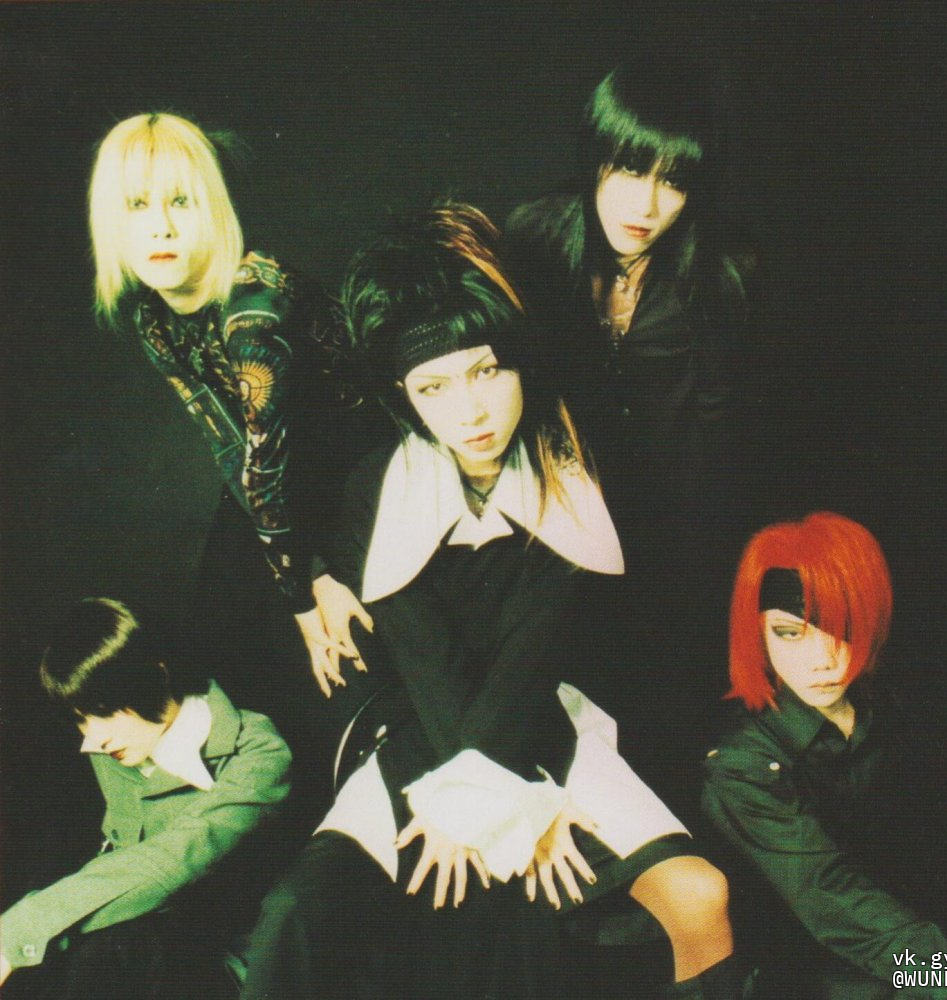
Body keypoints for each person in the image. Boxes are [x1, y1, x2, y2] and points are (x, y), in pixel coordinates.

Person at [240, 203, 740, 1000]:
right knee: (292, 916)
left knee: (698, 895)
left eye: (486, 372)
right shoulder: (380, 487)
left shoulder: (572, 472)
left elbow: (529, 663)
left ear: (519, 367)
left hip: (545, 722)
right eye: (433, 387)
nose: (469, 411)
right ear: (405, 397)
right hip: (420, 732)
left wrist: (507, 803)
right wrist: (482, 805)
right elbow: (427, 666)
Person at [88, 112, 376, 708]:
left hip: (365, 465)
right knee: (217, 619)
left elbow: (269, 470)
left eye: (180, 202)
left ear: (214, 209)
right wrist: (307, 579)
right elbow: (228, 443)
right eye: (137, 205)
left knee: (342, 636)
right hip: (279, 471)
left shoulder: (254, 309)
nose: (161, 228)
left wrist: (308, 593)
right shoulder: (151, 316)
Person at [505, 61, 753, 724]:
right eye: (630, 169)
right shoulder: (532, 238)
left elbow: (716, 437)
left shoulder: (722, 274)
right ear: (594, 157)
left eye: (673, 181)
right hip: (549, 529)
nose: (645, 206)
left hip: (668, 542)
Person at [701, 512, 947, 999]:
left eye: (841, 628)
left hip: (918, 943)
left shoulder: (889, 705)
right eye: (791, 633)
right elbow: (835, 899)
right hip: (820, 976)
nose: (823, 660)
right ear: (757, 632)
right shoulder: (742, 766)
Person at [0, 598, 292, 1000]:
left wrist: (15, 934)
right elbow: (122, 857)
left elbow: (171, 859)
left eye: (102, 711)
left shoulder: (259, 754)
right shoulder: (121, 745)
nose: (92, 739)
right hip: (139, 940)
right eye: (81, 718)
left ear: (156, 676)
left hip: (234, 963)